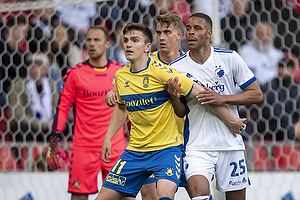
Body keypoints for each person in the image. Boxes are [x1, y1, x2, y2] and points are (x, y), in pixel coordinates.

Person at [95, 22, 245, 200]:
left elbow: (202, 93)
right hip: (135, 151)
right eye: (126, 40)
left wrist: (230, 120)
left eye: (134, 40)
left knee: (174, 196)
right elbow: (121, 107)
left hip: (167, 150)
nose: (128, 44)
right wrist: (108, 138)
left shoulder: (164, 73)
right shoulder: (121, 76)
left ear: (147, 47)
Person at [168, 13, 263, 200]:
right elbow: (180, 113)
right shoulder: (176, 68)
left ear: (209, 33)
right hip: (197, 145)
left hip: (230, 143)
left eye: (197, 28)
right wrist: (174, 98)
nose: (191, 33)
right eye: (188, 28)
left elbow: (256, 94)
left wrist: (222, 98)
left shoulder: (229, 58)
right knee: (199, 195)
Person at [105, 13, 190, 200]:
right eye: (158, 32)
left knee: (197, 191)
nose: (161, 37)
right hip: (147, 143)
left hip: (186, 139)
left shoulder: (189, 65)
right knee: (149, 195)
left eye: (166, 32)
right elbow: (125, 89)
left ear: (179, 35)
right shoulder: (146, 61)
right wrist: (113, 91)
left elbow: (199, 93)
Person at [46, 25, 127, 200]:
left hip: (115, 146)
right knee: (79, 197)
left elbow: (130, 109)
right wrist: (54, 142)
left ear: (107, 44)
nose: (91, 43)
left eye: (97, 40)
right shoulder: (75, 74)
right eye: (89, 40)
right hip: (84, 147)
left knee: (125, 196)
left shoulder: (121, 72)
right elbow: (62, 108)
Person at [8, 53, 58, 142]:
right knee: (21, 128)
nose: (35, 69)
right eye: (32, 66)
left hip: (48, 126)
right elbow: (18, 114)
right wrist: (42, 125)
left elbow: (57, 107)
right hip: (28, 126)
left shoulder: (52, 86)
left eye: (39, 66)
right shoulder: (18, 85)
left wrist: (53, 122)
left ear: (46, 69)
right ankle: (22, 155)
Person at [255, 58, 300, 141]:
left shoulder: (297, 88)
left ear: (293, 70)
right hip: (270, 125)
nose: (283, 70)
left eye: (287, 67)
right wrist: (293, 126)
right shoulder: (268, 87)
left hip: (292, 125)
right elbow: (273, 112)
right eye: (281, 67)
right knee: (289, 129)